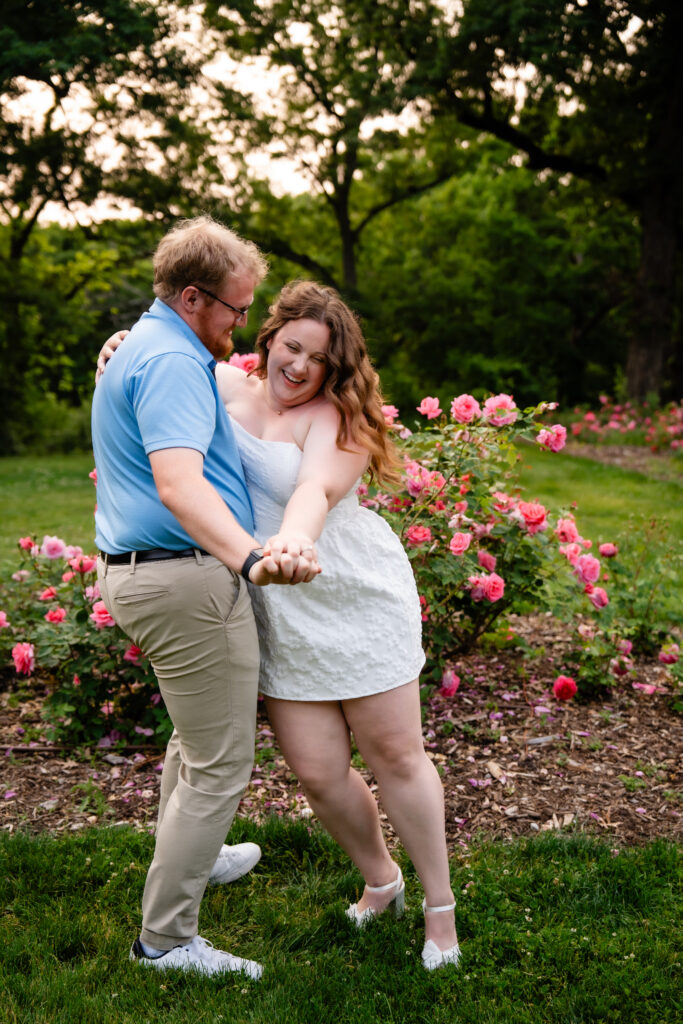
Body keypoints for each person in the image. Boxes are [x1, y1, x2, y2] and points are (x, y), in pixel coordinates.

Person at [100, 279, 461, 971]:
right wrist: (116, 346)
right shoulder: (221, 386)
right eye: (291, 347)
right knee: (320, 774)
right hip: (277, 601)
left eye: (317, 359)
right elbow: (157, 368)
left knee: (394, 758)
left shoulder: (337, 420)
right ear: (268, 339)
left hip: (348, 590)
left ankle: (439, 911)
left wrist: (292, 543)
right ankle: (381, 880)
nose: (298, 367)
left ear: (335, 370)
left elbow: (311, 490)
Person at [91, 217, 320, 981]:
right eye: (234, 307)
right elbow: (179, 483)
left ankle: (197, 854)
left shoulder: (151, 344)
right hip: (182, 576)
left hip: (149, 571)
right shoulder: (169, 362)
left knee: (196, 739)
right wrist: (250, 558)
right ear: (194, 298)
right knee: (221, 762)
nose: (242, 324)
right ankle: (165, 941)